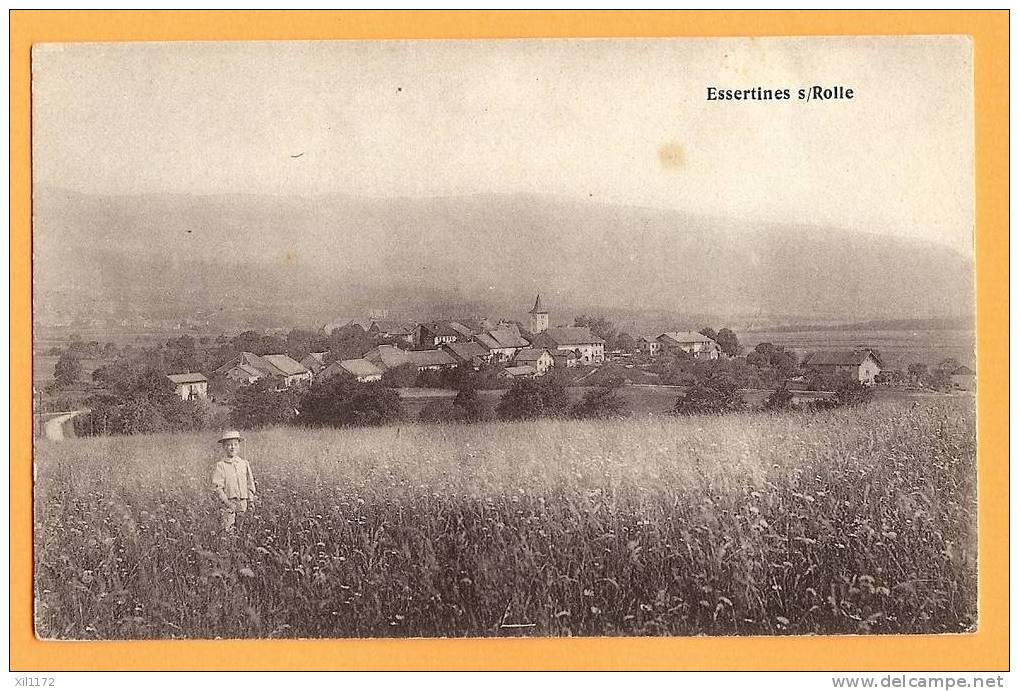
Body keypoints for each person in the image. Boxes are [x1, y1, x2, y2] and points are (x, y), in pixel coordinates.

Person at [212, 430, 257, 533]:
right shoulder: (221, 465)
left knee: (243, 530)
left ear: (239, 446)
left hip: (243, 503)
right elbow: (217, 488)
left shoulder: (244, 463)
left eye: (235, 444)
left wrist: (250, 501)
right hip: (229, 504)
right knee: (228, 531)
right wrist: (227, 503)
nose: (232, 447)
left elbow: (250, 483)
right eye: (229, 445)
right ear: (224, 447)